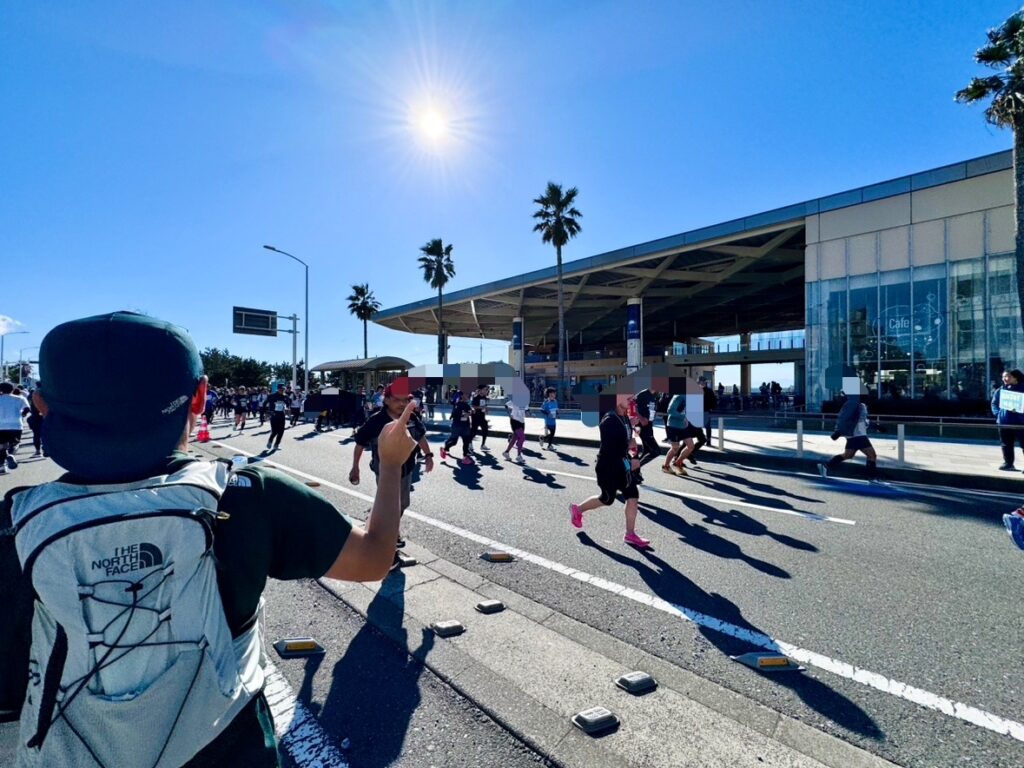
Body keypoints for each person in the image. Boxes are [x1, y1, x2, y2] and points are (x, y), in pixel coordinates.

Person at [0, 311, 413, 767]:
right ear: (199, 396)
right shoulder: (247, 493)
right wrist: (390, 464)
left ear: (41, 406)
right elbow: (375, 559)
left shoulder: (14, 523)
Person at [350, 383, 433, 564]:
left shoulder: (411, 417)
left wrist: (428, 455)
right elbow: (360, 443)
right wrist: (355, 467)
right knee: (392, 505)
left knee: (401, 504)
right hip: (385, 470)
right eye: (396, 399)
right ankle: (388, 551)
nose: (402, 404)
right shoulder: (376, 420)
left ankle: (385, 528)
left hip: (406, 469)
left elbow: (420, 436)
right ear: (386, 400)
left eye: (406, 400)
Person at [569, 393, 651, 549]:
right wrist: (630, 445)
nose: (631, 401)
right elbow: (611, 447)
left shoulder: (625, 418)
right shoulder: (609, 421)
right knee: (607, 499)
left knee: (633, 496)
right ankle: (577, 509)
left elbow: (629, 441)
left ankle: (630, 534)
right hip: (607, 466)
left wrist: (634, 453)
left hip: (622, 464)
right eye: (628, 398)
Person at [818, 390, 878, 479]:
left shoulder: (860, 405)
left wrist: (876, 426)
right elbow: (845, 419)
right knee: (872, 455)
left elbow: (864, 420)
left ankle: (825, 466)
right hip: (858, 435)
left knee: (848, 455)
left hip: (856, 435)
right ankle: (872, 477)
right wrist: (839, 431)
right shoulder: (852, 405)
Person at [991, 368, 1024, 471]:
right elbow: (994, 403)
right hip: (1004, 422)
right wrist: (998, 414)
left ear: (1016, 378)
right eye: (1004, 376)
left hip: (1020, 423)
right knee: (1006, 444)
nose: (1005, 378)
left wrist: (1020, 410)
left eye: (1008, 376)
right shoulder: (1001, 390)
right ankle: (1008, 463)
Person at [0, 382, 30, 474]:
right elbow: (27, 409)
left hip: (1, 426)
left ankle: (2, 466)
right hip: (16, 425)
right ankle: (11, 454)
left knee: (2, 446)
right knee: (15, 444)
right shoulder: (20, 398)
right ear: (12, 389)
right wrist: (23, 414)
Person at [440, 390, 473, 465]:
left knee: (466, 441)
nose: (468, 395)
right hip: (457, 426)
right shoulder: (458, 404)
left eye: (469, 394)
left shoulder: (466, 404)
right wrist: (464, 415)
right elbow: (455, 414)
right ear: (461, 395)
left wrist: (470, 413)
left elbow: (470, 411)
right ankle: (444, 449)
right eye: (467, 394)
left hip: (465, 426)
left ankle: (465, 457)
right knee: (454, 442)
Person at [632, 386, 661, 469]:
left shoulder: (655, 395)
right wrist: (641, 418)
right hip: (641, 425)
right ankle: (634, 469)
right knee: (656, 451)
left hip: (649, 425)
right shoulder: (642, 394)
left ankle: (635, 471)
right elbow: (633, 406)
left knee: (647, 450)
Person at [265, 386, 290, 452]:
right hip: (274, 415)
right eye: (281, 389)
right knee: (275, 431)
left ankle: (276, 444)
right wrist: (267, 412)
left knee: (281, 431)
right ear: (278, 389)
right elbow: (265, 403)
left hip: (281, 415)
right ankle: (270, 441)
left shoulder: (285, 396)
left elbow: (288, 404)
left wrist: (287, 405)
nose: (282, 391)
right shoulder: (272, 396)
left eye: (283, 389)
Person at [502, 397, 527, 462]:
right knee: (522, 438)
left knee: (514, 439)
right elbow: (506, 405)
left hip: (522, 421)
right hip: (514, 421)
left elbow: (527, 410)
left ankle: (506, 452)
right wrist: (509, 414)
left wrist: (531, 414)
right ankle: (519, 456)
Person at [469, 384, 490, 451]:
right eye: (485, 389)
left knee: (485, 430)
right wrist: (481, 407)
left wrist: (486, 410)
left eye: (487, 389)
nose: (487, 391)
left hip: (482, 416)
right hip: (475, 417)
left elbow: (484, 406)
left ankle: (483, 445)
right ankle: (469, 443)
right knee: (474, 432)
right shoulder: (476, 397)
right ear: (480, 390)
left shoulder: (484, 397)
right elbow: (473, 406)